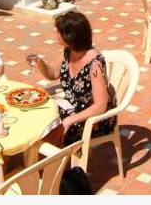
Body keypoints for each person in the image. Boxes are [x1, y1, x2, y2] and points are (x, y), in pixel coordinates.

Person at [29, 11, 117, 146]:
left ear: (69, 36)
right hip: (71, 108)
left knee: (50, 134)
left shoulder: (95, 64)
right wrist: (40, 63)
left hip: (94, 119)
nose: (56, 34)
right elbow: (53, 74)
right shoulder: (68, 51)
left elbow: (100, 106)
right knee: (39, 119)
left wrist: (69, 121)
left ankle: (59, 158)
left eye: (58, 32)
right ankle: (49, 155)